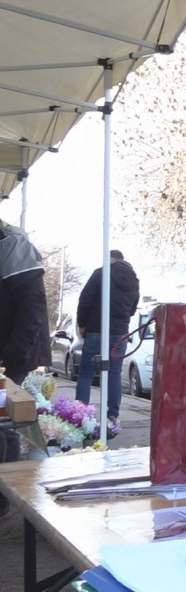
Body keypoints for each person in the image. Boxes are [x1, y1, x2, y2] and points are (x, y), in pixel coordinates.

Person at [0, 219, 52, 517]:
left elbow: (33, 305)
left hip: (10, 351)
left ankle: (3, 499)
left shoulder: (11, 244)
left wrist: (11, 357)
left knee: (3, 420)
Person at [75, 250, 139, 426]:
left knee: (86, 373)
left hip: (96, 329)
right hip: (120, 332)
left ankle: (80, 414)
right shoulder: (133, 280)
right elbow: (133, 308)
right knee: (114, 374)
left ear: (111, 259)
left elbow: (85, 300)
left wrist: (82, 323)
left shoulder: (100, 274)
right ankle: (113, 415)